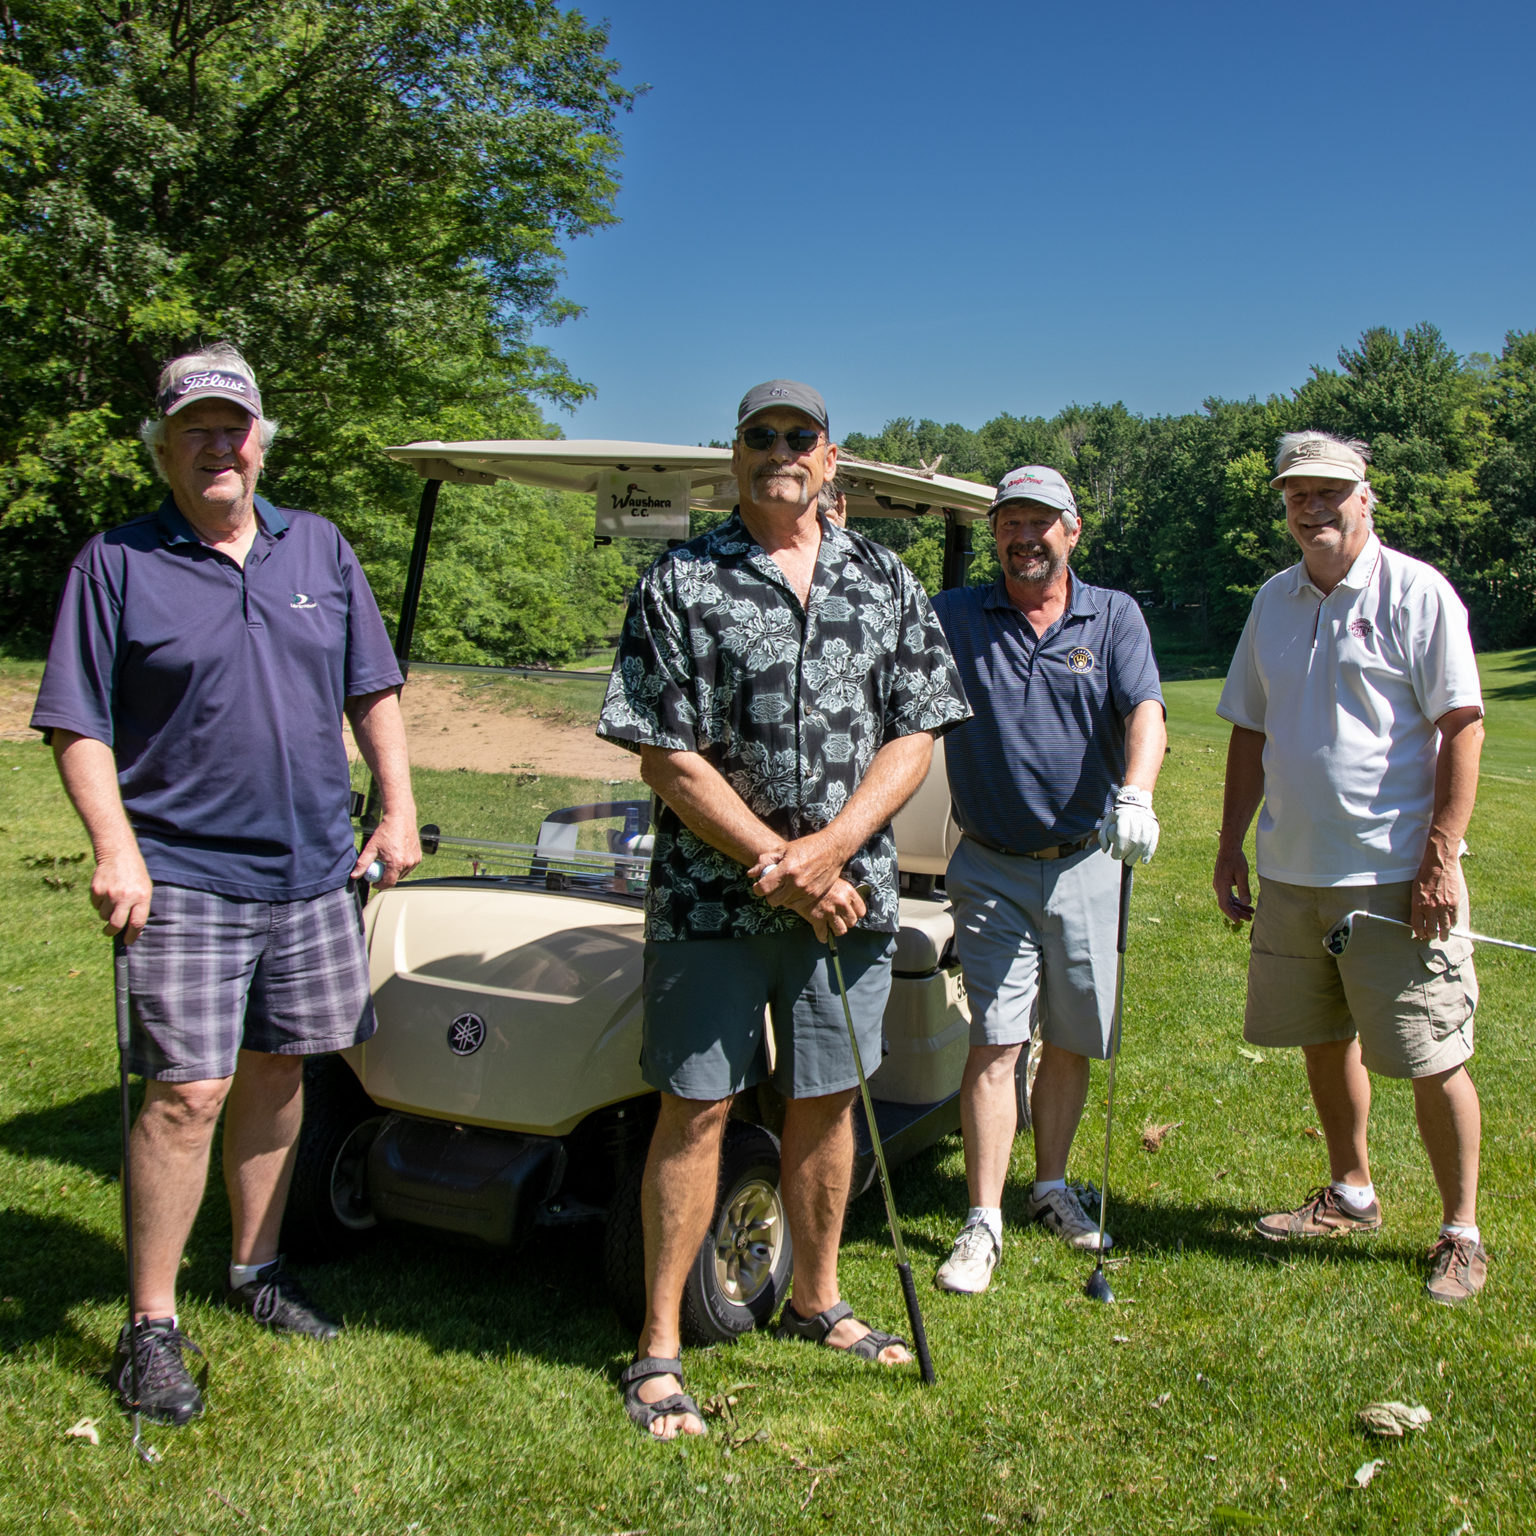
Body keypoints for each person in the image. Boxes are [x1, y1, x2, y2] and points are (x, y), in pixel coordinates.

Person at [30, 343, 421, 1424]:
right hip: (183, 873)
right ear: (162, 448)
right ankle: (151, 1324)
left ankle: (255, 1272)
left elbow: (372, 688)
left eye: (234, 428)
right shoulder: (116, 562)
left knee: (282, 1071)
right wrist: (115, 847)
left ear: (261, 443)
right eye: (195, 429)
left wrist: (395, 806)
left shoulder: (320, 548)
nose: (219, 447)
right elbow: (75, 722)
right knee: (185, 1094)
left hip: (312, 869)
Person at [597, 379, 970, 1437]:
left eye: (798, 436)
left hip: (847, 903)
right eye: (759, 436)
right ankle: (658, 1349)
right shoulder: (678, 580)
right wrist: (782, 861)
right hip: (711, 906)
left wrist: (833, 850)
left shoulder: (883, 579)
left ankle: (817, 1300)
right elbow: (664, 754)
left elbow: (915, 733)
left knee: (827, 1101)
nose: (780, 451)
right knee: (696, 1110)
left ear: (829, 457)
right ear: (736, 457)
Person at [1213, 431, 1487, 1305]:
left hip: (1394, 875)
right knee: (1323, 1038)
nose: (1313, 507)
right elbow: (1250, 728)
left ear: (1365, 496)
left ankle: (1461, 1232)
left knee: (1432, 1051)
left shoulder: (1416, 591)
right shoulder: (1273, 599)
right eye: (1297, 494)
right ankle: (1351, 1191)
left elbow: (1462, 723)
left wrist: (1440, 855)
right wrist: (1230, 843)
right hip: (1293, 871)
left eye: (1330, 491)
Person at [929, 466, 1166, 1294]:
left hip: (1087, 859)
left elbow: (1145, 710)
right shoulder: (955, 615)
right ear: (996, 533)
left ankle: (1052, 1186)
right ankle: (982, 1219)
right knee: (997, 1038)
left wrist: (1136, 791)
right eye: (1010, 523)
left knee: (1071, 1035)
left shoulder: (1114, 615)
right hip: (991, 863)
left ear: (1072, 531)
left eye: (1040, 522)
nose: (1024, 538)